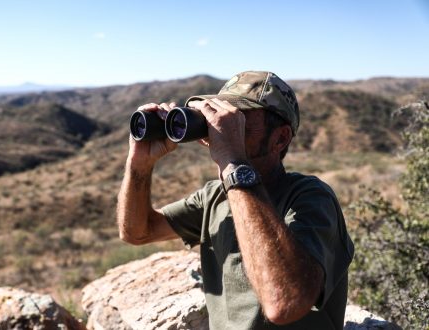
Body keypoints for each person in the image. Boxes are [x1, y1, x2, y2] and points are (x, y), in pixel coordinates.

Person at [117, 71, 354, 329]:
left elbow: (283, 304)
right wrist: (139, 163)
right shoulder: (215, 196)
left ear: (280, 138)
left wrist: (232, 162)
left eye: (237, 120)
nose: (221, 128)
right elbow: (138, 232)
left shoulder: (310, 197)